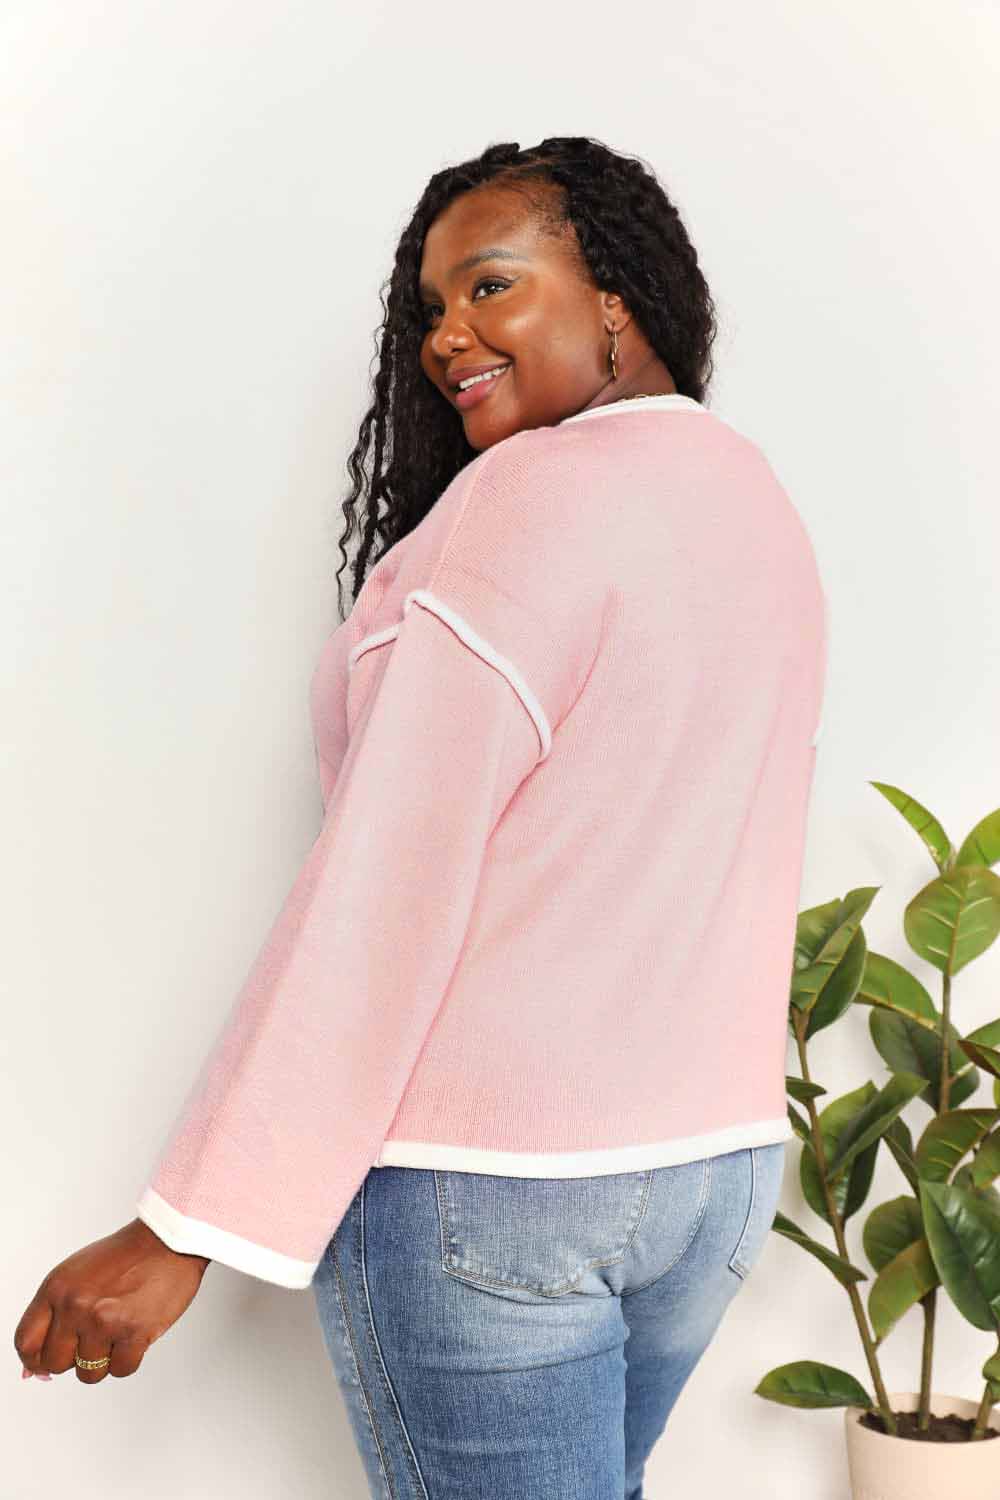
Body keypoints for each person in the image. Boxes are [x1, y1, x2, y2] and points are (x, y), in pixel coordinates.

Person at [14, 136, 826, 1498]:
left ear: (616, 296)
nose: (450, 333)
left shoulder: (524, 501)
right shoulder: (756, 503)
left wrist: (187, 1230)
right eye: (434, 307)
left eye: (492, 286)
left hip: (496, 1192)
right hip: (712, 1174)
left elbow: (387, 889)